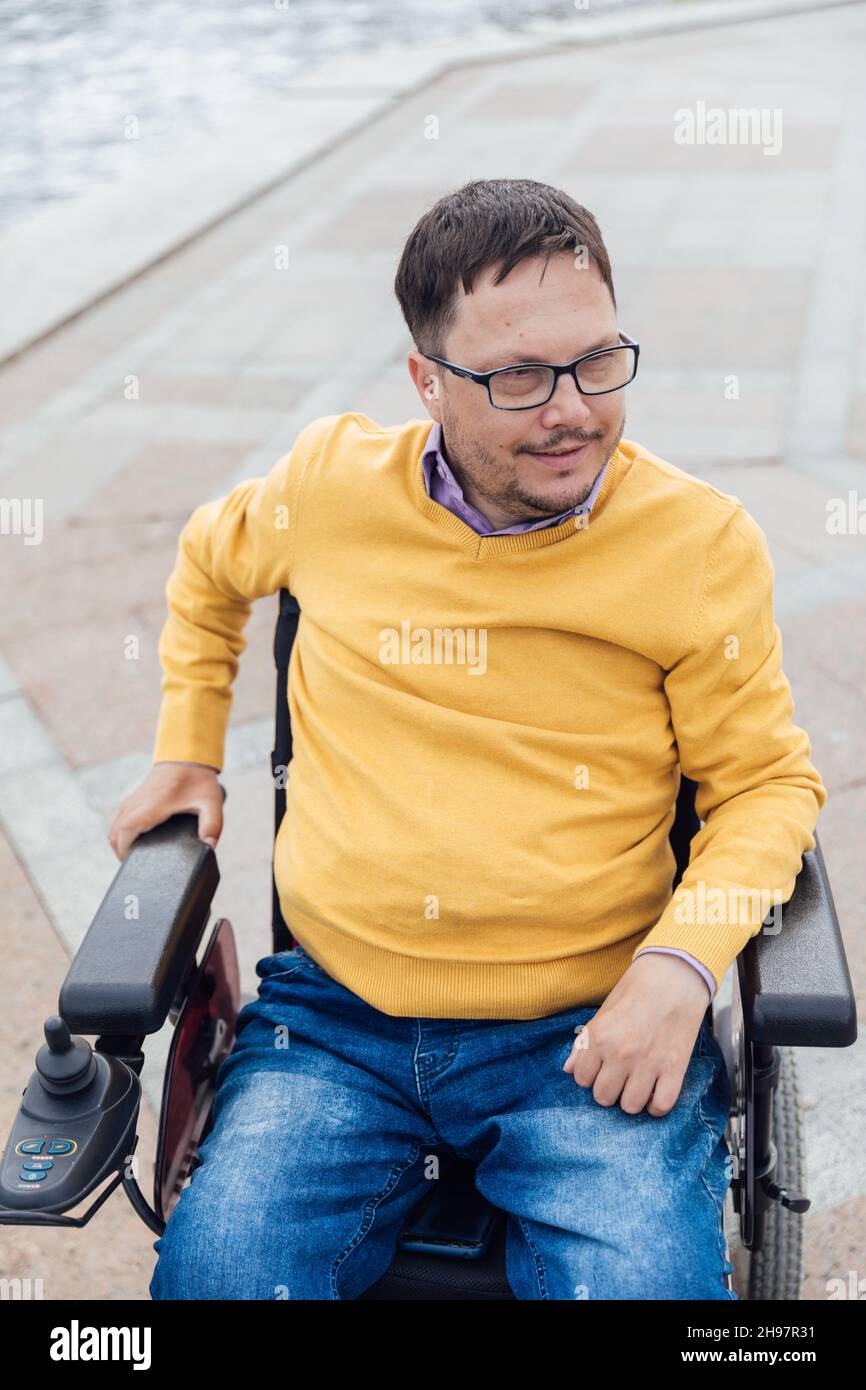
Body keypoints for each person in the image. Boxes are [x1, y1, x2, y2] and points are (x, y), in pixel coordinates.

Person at [108, 177, 826, 1300]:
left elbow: (767, 787)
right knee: (218, 1281)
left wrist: (679, 967)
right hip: (335, 1023)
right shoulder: (329, 488)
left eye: (597, 360)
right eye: (517, 378)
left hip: (586, 1031)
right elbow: (208, 566)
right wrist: (186, 748)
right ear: (425, 382)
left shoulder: (692, 545)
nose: (572, 409)